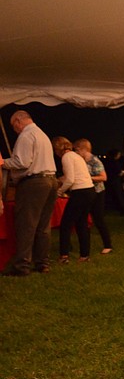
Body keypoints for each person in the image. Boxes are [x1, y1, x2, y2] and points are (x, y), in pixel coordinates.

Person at [0, 111, 58, 275]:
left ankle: (22, 266)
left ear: (18, 121)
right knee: (43, 226)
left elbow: (22, 162)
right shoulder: (42, 134)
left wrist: (3, 162)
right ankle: (42, 263)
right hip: (51, 180)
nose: (14, 130)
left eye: (13, 126)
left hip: (34, 183)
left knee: (26, 225)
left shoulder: (26, 135)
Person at [52, 136, 95, 264]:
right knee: (81, 223)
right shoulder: (76, 156)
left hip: (80, 192)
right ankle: (84, 255)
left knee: (66, 224)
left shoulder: (66, 157)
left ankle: (64, 256)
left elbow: (70, 179)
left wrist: (59, 191)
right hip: (89, 190)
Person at [74, 139, 113, 254]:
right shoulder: (81, 161)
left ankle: (108, 245)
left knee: (98, 219)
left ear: (83, 149)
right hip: (87, 192)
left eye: (76, 150)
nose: (75, 152)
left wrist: (87, 178)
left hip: (97, 192)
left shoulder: (94, 161)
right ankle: (85, 246)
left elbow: (103, 177)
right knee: (83, 219)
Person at [103, 148, 124, 215]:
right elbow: (118, 173)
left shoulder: (106, 161)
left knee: (107, 196)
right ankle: (122, 211)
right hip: (115, 181)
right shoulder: (115, 163)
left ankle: (106, 208)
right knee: (118, 196)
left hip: (107, 181)